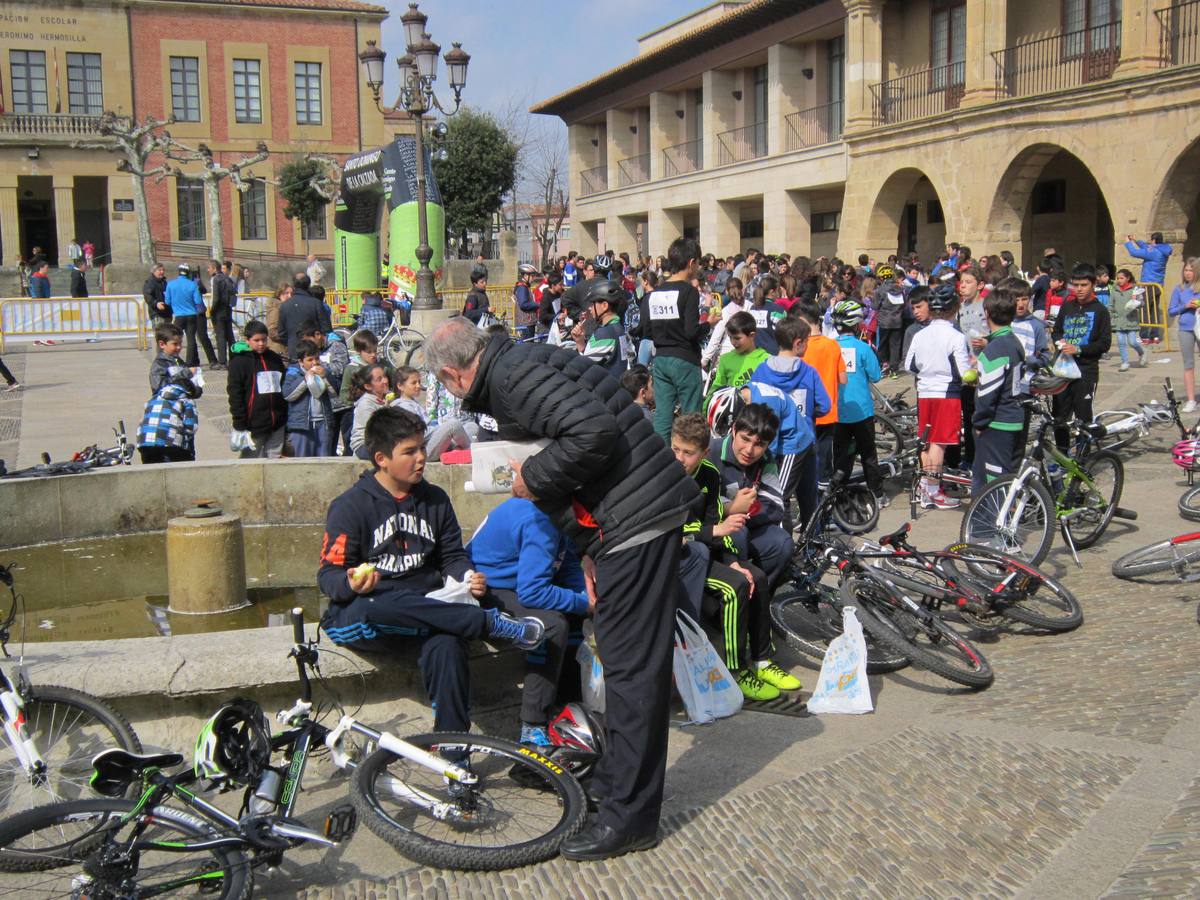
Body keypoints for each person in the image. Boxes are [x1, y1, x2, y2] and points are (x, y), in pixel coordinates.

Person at [424, 318, 698, 862]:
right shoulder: (514, 365)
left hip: (639, 520)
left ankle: (632, 817)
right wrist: (587, 549)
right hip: (623, 522)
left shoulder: (512, 376)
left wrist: (532, 478)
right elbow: (582, 452)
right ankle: (616, 786)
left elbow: (592, 433)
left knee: (632, 672)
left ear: (454, 375)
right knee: (624, 667)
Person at [318, 408, 546, 738]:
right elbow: (328, 577)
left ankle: (453, 750)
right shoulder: (350, 506)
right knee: (378, 602)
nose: (422, 458)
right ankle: (488, 623)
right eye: (409, 452)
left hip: (429, 610)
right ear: (381, 458)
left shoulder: (435, 499)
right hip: (367, 614)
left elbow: (452, 557)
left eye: (422, 448)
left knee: (448, 645)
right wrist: (351, 582)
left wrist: (467, 578)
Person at [670, 412, 797, 701]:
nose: (679, 458)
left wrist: (734, 562)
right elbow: (669, 528)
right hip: (675, 556)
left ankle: (763, 661)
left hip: (702, 549)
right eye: (675, 449)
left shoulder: (709, 474)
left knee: (756, 578)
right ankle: (736, 671)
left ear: (704, 453)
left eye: (688, 453)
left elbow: (719, 520)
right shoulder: (664, 474)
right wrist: (715, 529)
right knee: (734, 588)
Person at [468, 497, 592, 749]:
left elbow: (566, 566)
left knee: (580, 613)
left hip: (519, 585)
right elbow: (533, 592)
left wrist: (588, 599)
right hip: (489, 590)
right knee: (551, 625)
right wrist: (584, 603)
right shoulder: (541, 522)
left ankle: (569, 702)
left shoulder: (559, 515)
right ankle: (532, 727)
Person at [708, 402, 794, 591]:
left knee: (782, 542)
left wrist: (744, 512)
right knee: (738, 533)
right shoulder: (710, 453)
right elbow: (697, 505)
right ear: (733, 430)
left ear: (768, 445)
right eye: (745, 439)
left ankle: (759, 596)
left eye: (759, 444)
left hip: (746, 528)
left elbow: (775, 505)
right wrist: (730, 508)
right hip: (711, 532)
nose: (749, 450)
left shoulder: (766, 460)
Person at [904, 282, 971, 510]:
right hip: (947, 392)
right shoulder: (956, 336)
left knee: (926, 441)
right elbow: (965, 374)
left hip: (924, 391)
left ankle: (925, 486)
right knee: (939, 443)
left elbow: (909, 365)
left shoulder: (920, 334)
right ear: (955, 308)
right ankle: (933, 491)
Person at [641, 237, 706, 440]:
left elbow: (647, 330)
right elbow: (691, 332)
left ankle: (662, 460)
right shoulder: (689, 291)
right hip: (685, 359)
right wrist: (709, 324)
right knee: (691, 417)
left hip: (661, 359)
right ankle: (691, 462)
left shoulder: (655, 293)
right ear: (691, 262)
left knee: (662, 414)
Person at [1051, 263, 1112, 452]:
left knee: (1083, 416)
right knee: (1059, 416)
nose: (1079, 289)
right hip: (1063, 369)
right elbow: (1057, 330)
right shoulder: (1067, 306)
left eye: (1083, 285)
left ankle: (1083, 456)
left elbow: (1104, 344)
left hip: (1086, 371)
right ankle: (1062, 453)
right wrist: (1059, 342)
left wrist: (1079, 349)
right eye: (1075, 285)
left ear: (1093, 284)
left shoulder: (1100, 311)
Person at [832, 300, 886, 507]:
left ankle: (840, 495)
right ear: (856, 325)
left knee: (841, 456)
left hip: (837, 412)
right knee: (869, 454)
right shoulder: (863, 348)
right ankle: (877, 494)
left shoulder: (830, 348)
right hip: (862, 412)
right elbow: (876, 376)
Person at [971, 292, 1025, 495]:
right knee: (1005, 474)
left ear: (987, 313)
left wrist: (979, 422)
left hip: (997, 422)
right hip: (1014, 416)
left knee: (990, 481)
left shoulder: (995, 349)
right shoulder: (1013, 341)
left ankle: (988, 525)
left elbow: (988, 394)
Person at [795, 301, 847, 487]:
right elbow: (843, 379)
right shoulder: (832, 345)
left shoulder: (800, 348)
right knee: (825, 460)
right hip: (828, 412)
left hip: (804, 412)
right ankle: (824, 503)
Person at [227, 320, 287, 458]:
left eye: (264, 340)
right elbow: (235, 393)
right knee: (251, 463)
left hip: (277, 422)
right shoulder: (239, 362)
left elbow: (283, 386)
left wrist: (283, 414)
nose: (261, 344)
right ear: (247, 340)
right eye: (256, 340)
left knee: (274, 460)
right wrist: (239, 422)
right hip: (253, 424)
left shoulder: (274, 359)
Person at [283, 340, 335, 457]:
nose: (314, 363)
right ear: (301, 362)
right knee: (302, 462)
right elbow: (288, 395)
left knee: (324, 462)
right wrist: (305, 380)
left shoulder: (324, 372)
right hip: (301, 426)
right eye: (310, 360)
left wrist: (325, 377)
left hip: (323, 424)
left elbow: (335, 393)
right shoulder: (293, 373)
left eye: (316, 359)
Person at [137, 374, 200, 465]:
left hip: (144, 443)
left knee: (152, 473)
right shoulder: (186, 400)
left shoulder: (153, 399)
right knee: (175, 473)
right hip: (169, 444)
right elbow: (191, 427)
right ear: (189, 391)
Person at [167, 264, 216, 367]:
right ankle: (190, 362)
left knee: (174, 338)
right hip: (192, 315)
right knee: (191, 339)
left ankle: (173, 360)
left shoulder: (171, 284)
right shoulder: (192, 284)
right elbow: (198, 300)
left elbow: (167, 301)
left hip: (179, 315)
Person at [578, 280, 630, 377]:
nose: (590, 308)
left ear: (604, 306)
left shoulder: (604, 334)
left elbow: (583, 368)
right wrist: (580, 343)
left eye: (593, 303)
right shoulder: (619, 329)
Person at [1168, 258, 1200, 411]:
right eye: (1186, 270)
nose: (1188, 273)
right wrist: (1185, 306)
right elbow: (1172, 310)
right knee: (1188, 364)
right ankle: (1191, 400)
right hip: (1185, 329)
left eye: (1191, 270)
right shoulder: (1179, 289)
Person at [274, 274, 331, 361]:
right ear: (308, 284)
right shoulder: (316, 303)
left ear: (294, 286)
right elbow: (326, 328)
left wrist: (292, 341)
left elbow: (281, 333)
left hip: (294, 350)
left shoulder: (285, 306)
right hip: (313, 352)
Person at [349, 364, 390, 460]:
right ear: (368, 386)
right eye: (379, 379)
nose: (385, 381)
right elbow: (375, 431)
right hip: (364, 445)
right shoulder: (366, 404)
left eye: (385, 376)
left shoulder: (385, 399)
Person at [1112, 268, 1149, 372]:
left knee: (1132, 342)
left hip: (1131, 321)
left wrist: (1136, 303)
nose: (1119, 280)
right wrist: (1110, 315)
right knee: (1121, 342)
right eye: (1117, 278)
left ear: (1128, 278)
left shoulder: (1135, 290)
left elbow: (1142, 303)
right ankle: (1125, 362)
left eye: (1121, 278)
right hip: (1118, 320)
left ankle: (1142, 352)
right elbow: (1111, 304)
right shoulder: (1114, 290)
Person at [873, 264, 907, 378]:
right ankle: (894, 369)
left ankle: (884, 364)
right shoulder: (901, 289)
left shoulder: (880, 290)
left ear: (881, 278)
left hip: (884, 321)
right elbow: (904, 304)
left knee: (882, 344)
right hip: (897, 321)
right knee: (895, 345)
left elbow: (874, 306)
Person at [149, 322, 191, 397]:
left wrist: (195, 388)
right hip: (166, 405)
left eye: (180, 343)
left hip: (182, 403)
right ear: (162, 344)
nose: (179, 347)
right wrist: (184, 374)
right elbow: (158, 386)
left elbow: (187, 386)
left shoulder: (178, 361)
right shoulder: (159, 364)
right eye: (175, 344)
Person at [901, 286, 932, 361]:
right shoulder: (911, 331)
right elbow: (907, 358)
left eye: (919, 307)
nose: (915, 312)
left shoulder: (947, 326)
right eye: (913, 308)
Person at [513, 263, 540, 339]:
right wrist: (537, 304)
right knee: (527, 347)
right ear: (525, 276)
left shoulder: (525, 287)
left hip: (528, 323)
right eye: (532, 276)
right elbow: (523, 304)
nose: (533, 278)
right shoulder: (522, 288)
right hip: (525, 324)